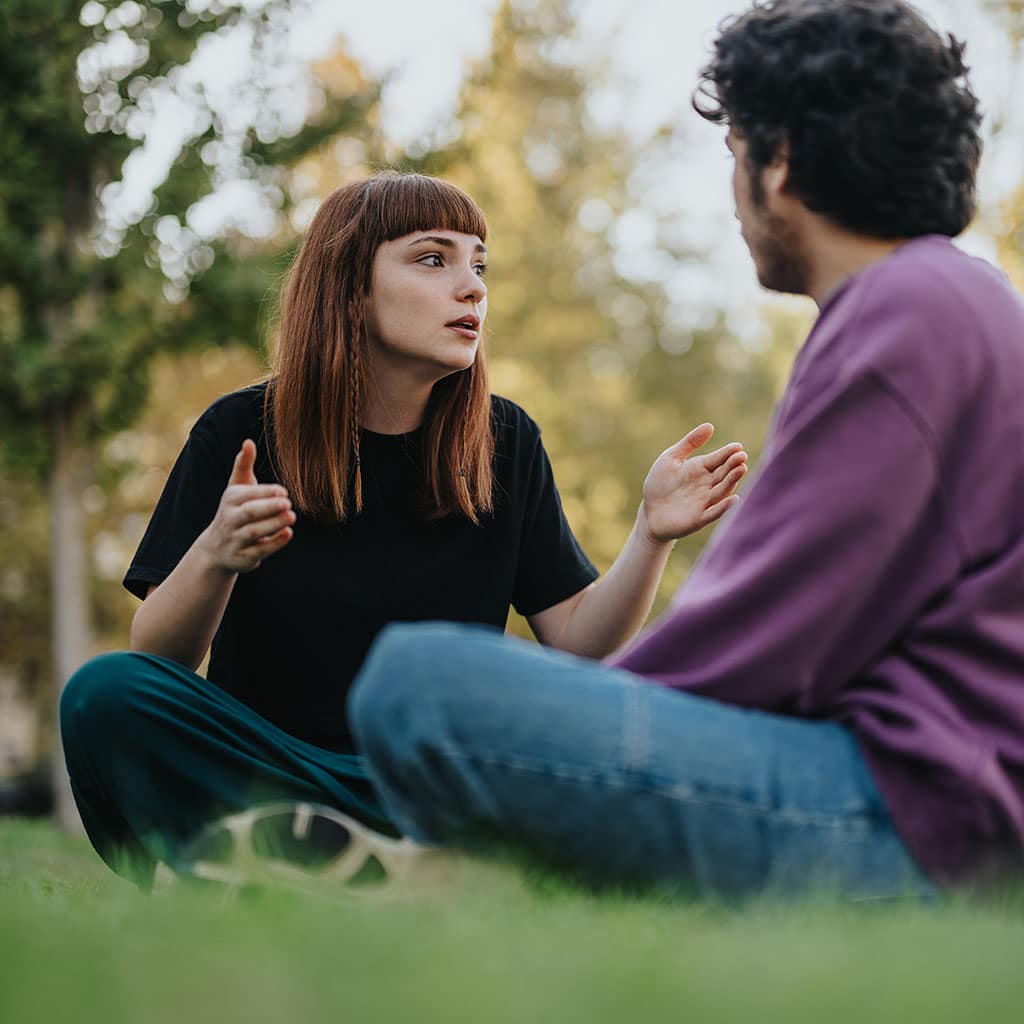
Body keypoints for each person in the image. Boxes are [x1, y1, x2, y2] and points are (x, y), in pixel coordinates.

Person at [347, 0, 1024, 899]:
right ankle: (457, 882)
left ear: (778, 163)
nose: (734, 195)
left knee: (417, 684)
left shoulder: (906, 312)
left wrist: (581, 724)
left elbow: (764, 636)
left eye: (736, 153)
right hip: (937, 791)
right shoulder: (961, 297)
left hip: (914, 815)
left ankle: (445, 877)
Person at [59, 171, 748, 887]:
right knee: (104, 695)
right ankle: (349, 860)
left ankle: (295, 865)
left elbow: (578, 639)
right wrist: (215, 555)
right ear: (351, 289)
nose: (472, 286)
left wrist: (651, 534)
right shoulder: (239, 431)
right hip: (275, 769)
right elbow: (160, 657)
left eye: (479, 264)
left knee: (617, 731)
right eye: (433, 258)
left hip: (439, 782)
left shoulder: (505, 440)